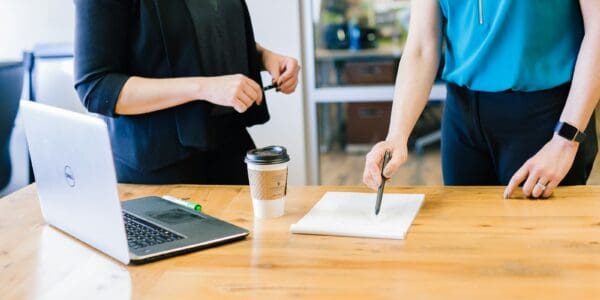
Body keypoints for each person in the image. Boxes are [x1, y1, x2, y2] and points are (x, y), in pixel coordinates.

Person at [363, 0, 599, 199]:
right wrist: (396, 135)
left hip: (547, 118)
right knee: (467, 243)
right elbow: (422, 45)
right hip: (462, 118)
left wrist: (566, 140)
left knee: (541, 247)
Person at [74, 0, 300, 185]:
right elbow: (95, 86)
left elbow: (203, 32)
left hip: (230, 148)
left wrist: (264, 58)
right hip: (160, 168)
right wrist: (204, 87)